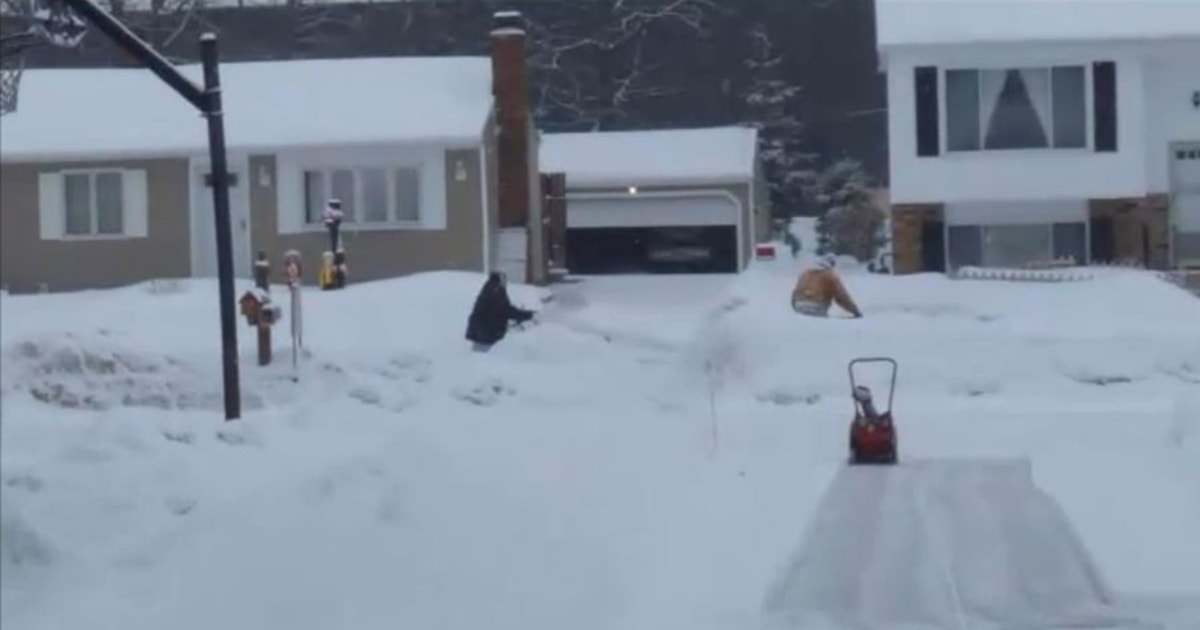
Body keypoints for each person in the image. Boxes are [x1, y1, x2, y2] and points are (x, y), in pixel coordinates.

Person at [465, 272, 536, 351]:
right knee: (485, 359)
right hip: (487, 333)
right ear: (501, 279)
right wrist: (528, 315)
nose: (506, 283)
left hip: (480, 332)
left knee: (478, 357)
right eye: (504, 280)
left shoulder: (489, 287)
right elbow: (505, 309)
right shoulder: (496, 290)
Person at [790, 255, 862, 318]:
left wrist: (795, 306)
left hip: (799, 306)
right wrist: (855, 311)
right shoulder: (830, 276)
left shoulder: (805, 273)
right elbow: (841, 296)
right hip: (817, 307)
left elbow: (796, 291)